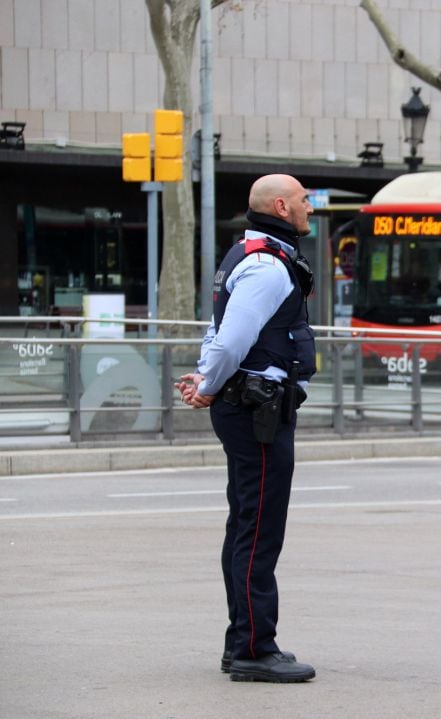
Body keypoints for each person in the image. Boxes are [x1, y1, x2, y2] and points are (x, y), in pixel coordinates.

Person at [175, 174, 317, 683]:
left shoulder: (249, 255)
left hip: (250, 406)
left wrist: (206, 378)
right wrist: (210, 382)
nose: (310, 207)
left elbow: (218, 330)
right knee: (258, 531)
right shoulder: (268, 267)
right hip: (257, 411)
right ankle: (254, 649)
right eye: (303, 200)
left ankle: (242, 641)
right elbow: (232, 338)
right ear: (281, 206)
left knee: (245, 526)